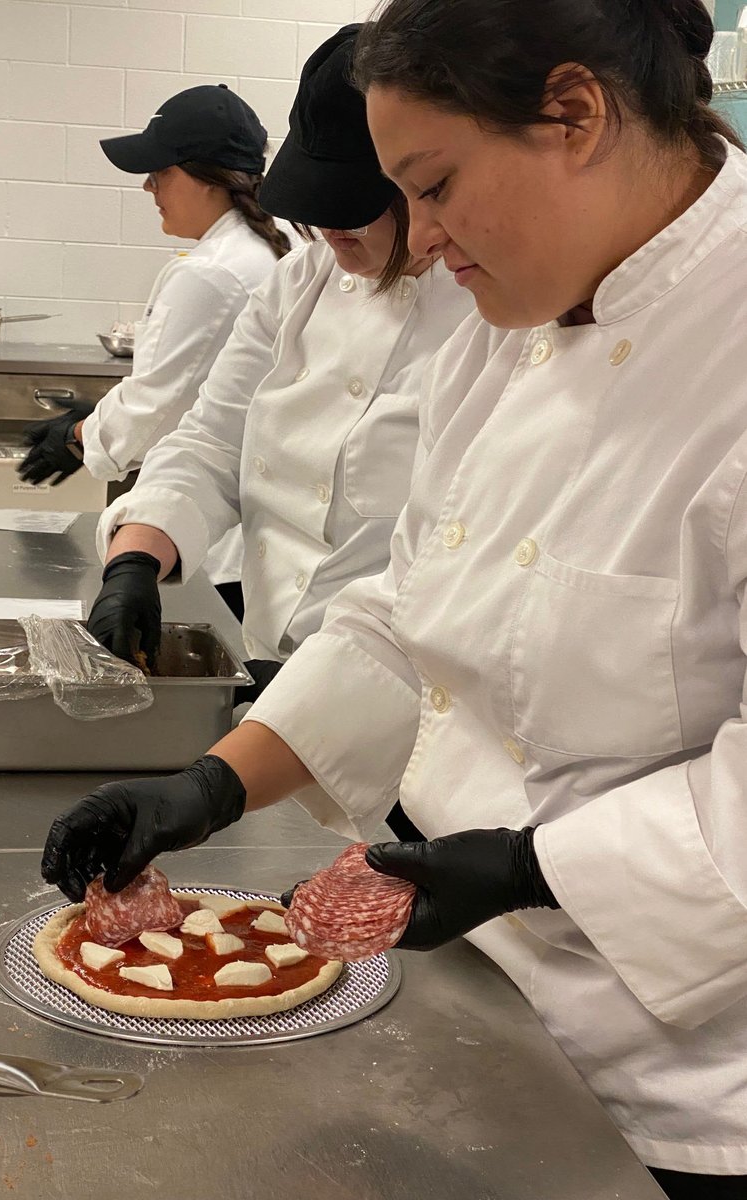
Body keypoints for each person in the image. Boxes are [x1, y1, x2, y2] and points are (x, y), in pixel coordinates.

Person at [44, 2, 747, 1194]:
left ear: (575, 114)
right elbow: (404, 608)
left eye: (434, 185)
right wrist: (215, 783)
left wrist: (538, 869)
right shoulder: (505, 320)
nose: (419, 241)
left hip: (683, 1083)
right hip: (488, 989)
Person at [82, 24, 474, 721]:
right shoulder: (299, 286)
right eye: (317, 211)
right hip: (267, 658)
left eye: (352, 211)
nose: (329, 232)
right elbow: (212, 440)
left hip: (405, 700)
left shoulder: (487, 309)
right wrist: (139, 553)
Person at [18, 84, 289, 616]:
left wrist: (78, 436)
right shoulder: (273, 247)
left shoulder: (210, 274)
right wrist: (93, 426)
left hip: (216, 547)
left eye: (161, 172)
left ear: (209, 178)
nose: (148, 187)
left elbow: (156, 407)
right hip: (258, 536)